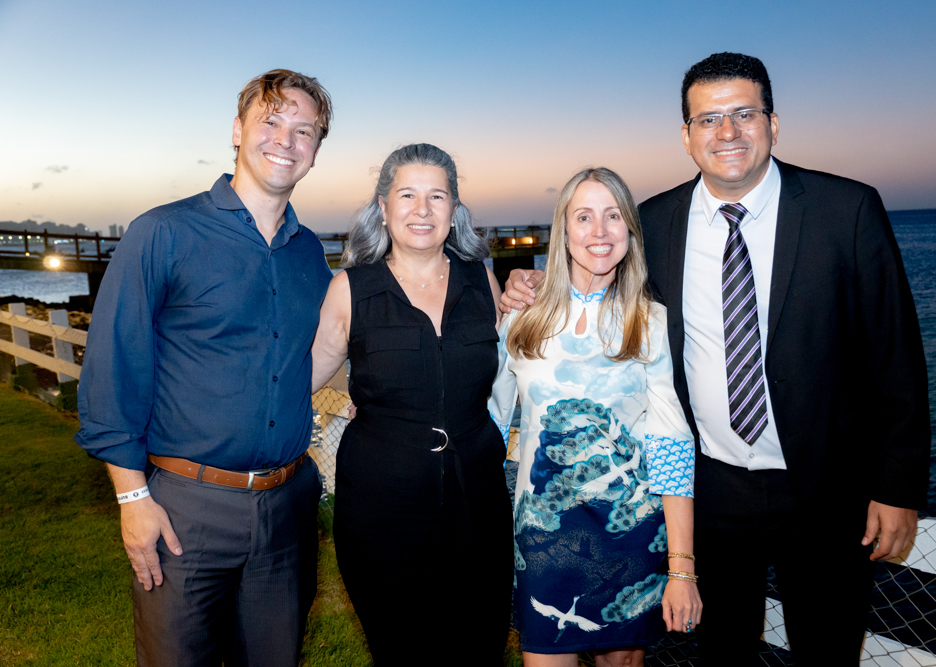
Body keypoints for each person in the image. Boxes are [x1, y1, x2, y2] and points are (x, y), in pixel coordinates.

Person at [501, 52, 931, 665]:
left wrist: (898, 487)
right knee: (724, 654)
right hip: (716, 493)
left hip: (827, 493)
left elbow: (895, 356)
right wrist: (529, 285)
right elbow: (596, 279)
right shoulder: (653, 222)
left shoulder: (848, 211)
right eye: (707, 120)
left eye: (742, 114)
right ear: (686, 135)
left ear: (773, 123)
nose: (726, 133)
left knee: (828, 651)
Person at [74, 69, 334, 666]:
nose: (285, 140)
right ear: (237, 131)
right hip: (183, 510)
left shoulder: (309, 254)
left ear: (316, 152)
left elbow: (343, 336)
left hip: (286, 508)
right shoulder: (162, 232)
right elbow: (113, 372)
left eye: (304, 130)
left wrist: (498, 294)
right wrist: (132, 498)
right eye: (270, 121)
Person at [310, 143, 513, 665]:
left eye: (437, 196)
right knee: (402, 649)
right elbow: (297, 384)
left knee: (480, 645)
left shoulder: (481, 280)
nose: (422, 210)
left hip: (479, 502)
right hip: (382, 507)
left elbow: (520, 365)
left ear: (454, 209)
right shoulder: (350, 290)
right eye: (407, 195)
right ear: (383, 207)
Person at [490, 167, 701, 667]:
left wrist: (682, 570)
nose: (599, 232)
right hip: (541, 537)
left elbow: (671, 446)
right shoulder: (520, 316)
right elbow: (489, 420)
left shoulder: (650, 321)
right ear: (564, 230)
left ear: (630, 231)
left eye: (613, 217)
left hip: (631, 535)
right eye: (584, 217)